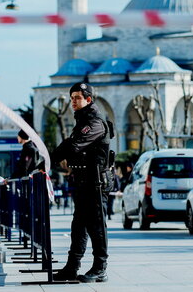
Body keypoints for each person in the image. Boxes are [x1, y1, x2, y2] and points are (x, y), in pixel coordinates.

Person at [51, 82, 113, 283]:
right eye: (72, 98)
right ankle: (72, 266)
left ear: (88, 99)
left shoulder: (95, 122)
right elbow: (68, 145)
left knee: (96, 226)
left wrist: (53, 157)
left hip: (96, 183)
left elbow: (75, 146)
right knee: (78, 226)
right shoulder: (81, 121)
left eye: (77, 97)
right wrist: (47, 160)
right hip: (84, 182)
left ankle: (100, 267)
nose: (73, 102)